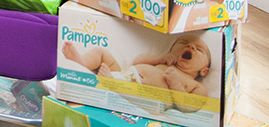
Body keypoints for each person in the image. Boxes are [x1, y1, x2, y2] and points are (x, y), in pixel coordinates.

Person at [62, 35, 212, 111]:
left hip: (147, 95)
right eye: (184, 43)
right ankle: (81, 62)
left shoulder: (195, 86)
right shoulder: (163, 61)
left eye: (199, 50)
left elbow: (190, 106)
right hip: (124, 74)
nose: (191, 46)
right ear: (171, 50)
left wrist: (176, 84)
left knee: (153, 103)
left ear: (204, 70)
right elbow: (137, 61)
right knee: (102, 52)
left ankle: (112, 85)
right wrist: (159, 58)